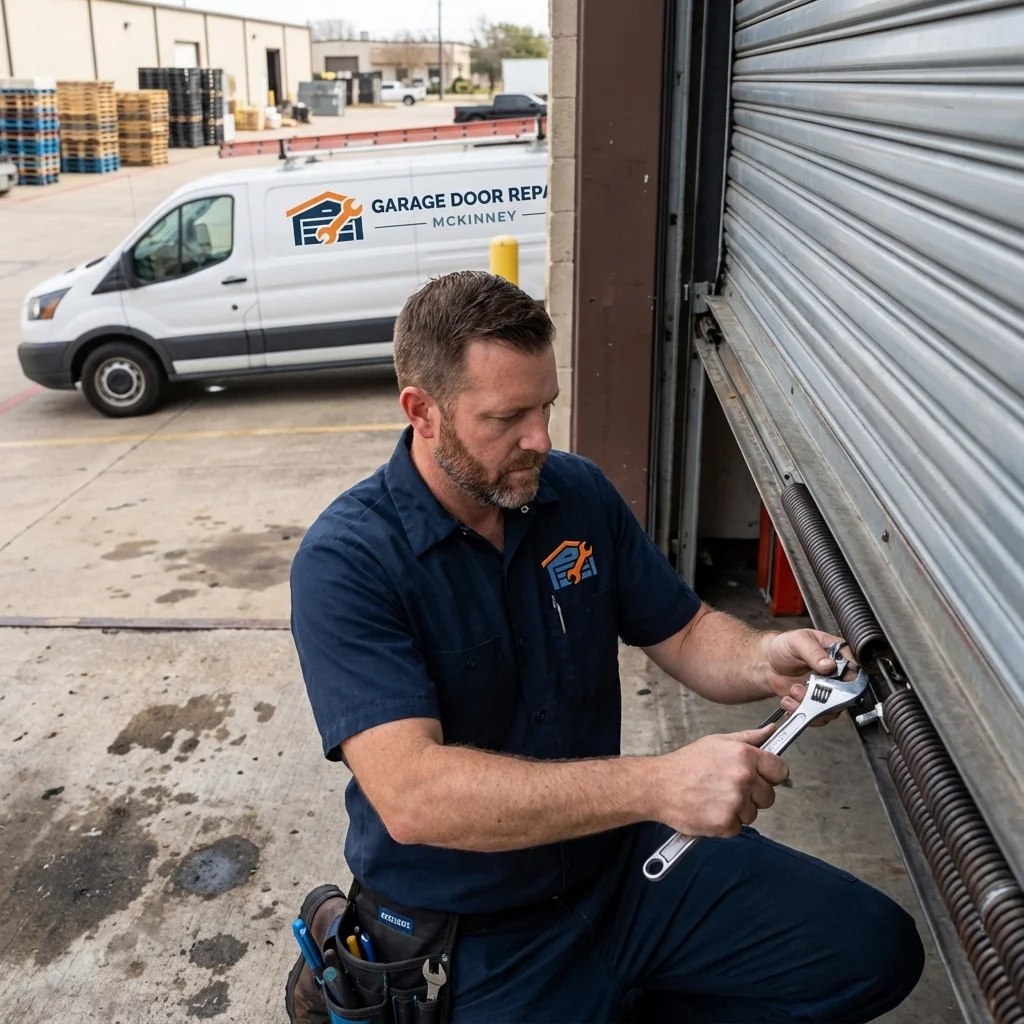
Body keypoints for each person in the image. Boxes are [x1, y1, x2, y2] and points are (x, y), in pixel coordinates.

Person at [288, 271, 924, 1022]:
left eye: (547, 407)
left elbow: (683, 630)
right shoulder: (347, 563)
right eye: (508, 417)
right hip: (476, 933)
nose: (541, 440)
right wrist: (657, 787)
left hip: (621, 871)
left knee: (873, 952)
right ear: (421, 412)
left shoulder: (574, 494)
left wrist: (764, 658)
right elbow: (414, 796)